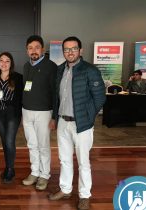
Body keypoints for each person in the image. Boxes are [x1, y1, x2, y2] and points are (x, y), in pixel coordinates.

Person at [48, 36, 106, 210]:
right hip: (63, 123)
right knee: (64, 159)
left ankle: (84, 195)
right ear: (63, 52)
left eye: (73, 49)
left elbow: (100, 98)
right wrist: (54, 117)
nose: (70, 52)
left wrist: (88, 117)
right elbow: (56, 97)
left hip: (82, 124)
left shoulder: (90, 70)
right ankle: (65, 189)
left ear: (81, 51)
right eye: (66, 49)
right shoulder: (59, 70)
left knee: (83, 162)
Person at [21, 35, 57, 191]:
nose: (33, 51)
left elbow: (56, 94)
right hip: (27, 111)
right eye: (30, 48)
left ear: (42, 49)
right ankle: (35, 172)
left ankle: (45, 175)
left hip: (43, 112)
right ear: (27, 50)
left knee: (43, 145)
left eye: (36, 47)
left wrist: (54, 116)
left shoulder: (51, 66)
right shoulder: (26, 66)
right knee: (32, 144)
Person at [0, 52, 23, 183]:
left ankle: (10, 169)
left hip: (12, 113)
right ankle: (8, 166)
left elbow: (21, 97)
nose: (4, 63)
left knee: (10, 141)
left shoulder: (18, 77)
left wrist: (20, 115)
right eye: (1, 61)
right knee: (4, 142)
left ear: (11, 64)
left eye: (7, 61)